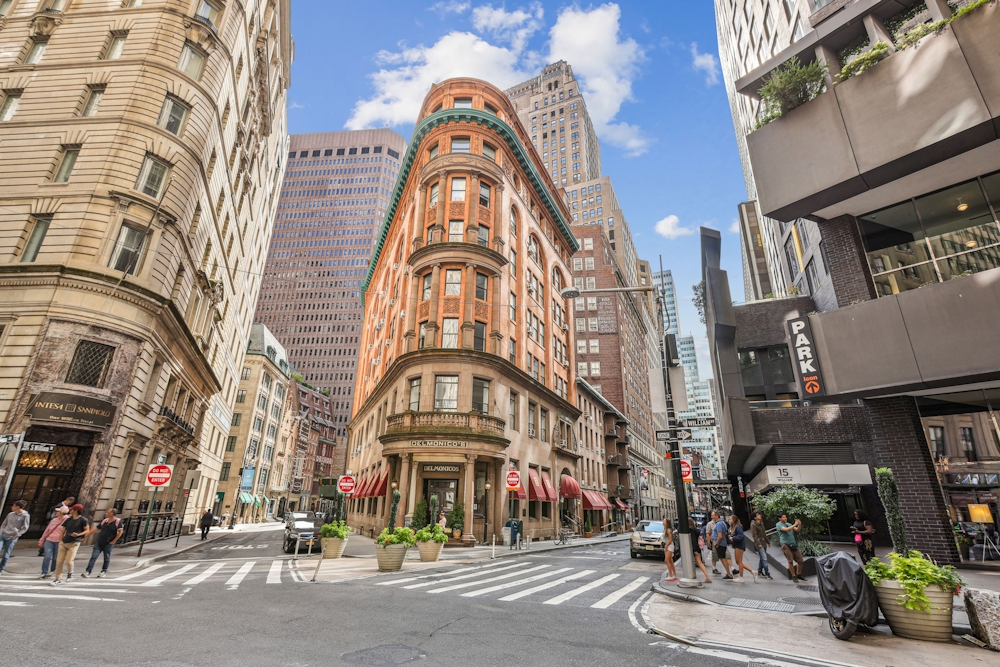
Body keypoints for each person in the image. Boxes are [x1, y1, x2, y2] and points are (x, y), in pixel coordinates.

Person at [51, 504, 89, 585]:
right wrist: (60, 541)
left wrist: (78, 535)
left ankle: (70, 573)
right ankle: (58, 579)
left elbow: (87, 530)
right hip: (64, 542)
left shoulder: (83, 520)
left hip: (74, 543)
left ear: (75, 511)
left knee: (69, 561)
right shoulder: (68, 519)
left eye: (72, 509)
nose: (70, 511)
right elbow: (63, 531)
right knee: (59, 561)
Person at [82, 508, 122, 578]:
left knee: (106, 557)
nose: (106, 513)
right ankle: (88, 571)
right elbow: (95, 529)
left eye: (108, 512)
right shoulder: (104, 521)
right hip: (99, 542)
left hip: (109, 543)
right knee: (94, 556)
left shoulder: (117, 521)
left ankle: (103, 571)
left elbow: (120, 532)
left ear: (111, 514)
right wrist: (85, 536)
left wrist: (113, 541)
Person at [0, 499, 30, 575]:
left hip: (11, 538)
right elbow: (4, 524)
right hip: (3, 535)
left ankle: (0, 569)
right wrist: (1, 532)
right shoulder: (10, 514)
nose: (12, 507)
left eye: (13, 506)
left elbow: (25, 527)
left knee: (6, 555)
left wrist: (17, 534)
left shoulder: (25, 516)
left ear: (18, 507)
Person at [38, 506, 69, 578]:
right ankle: (44, 572)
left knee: (56, 557)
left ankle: (53, 570)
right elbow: (47, 530)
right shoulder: (54, 520)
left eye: (58, 511)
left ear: (62, 512)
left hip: (59, 541)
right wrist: (42, 539)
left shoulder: (68, 520)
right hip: (49, 540)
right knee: (47, 556)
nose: (56, 512)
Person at [777, 513, 806, 582]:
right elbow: (786, 529)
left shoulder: (789, 524)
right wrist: (795, 524)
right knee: (790, 561)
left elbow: (797, 530)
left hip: (793, 544)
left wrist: (799, 524)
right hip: (785, 545)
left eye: (785, 517)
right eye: (783, 517)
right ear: (779, 518)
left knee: (801, 560)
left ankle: (798, 574)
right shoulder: (778, 525)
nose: (785, 518)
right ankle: (794, 576)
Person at [729, 515, 757, 582]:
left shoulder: (738, 527)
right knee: (738, 562)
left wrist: (733, 538)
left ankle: (741, 577)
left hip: (739, 546)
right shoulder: (735, 527)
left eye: (730, 519)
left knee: (739, 562)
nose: (729, 520)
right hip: (737, 545)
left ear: (734, 520)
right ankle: (752, 571)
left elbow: (741, 536)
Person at [688, 517, 712, 583]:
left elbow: (693, 541)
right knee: (699, 562)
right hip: (697, 548)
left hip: (694, 548)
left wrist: (694, 550)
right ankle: (705, 577)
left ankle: (707, 577)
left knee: (699, 563)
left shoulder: (691, 531)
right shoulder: (696, 530)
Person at [711, 510, 734, 581]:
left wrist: (717, 543)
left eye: (713, 515)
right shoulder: (722, 523)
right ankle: (729, 573)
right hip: (722, 543)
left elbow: (720, 536)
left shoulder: (719, 524)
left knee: (723, 559)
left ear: (717, 516)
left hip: (720, 544)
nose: (712, 517)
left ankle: (729, 574)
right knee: (723, 558)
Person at [750, 512, 772, 580]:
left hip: (764, 542)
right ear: (755, 518)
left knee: (762, 558)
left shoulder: (761, 523)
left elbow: (764, 534)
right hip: (759, 543)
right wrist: (758, 543)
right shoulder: (753, 525)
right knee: (764, 558)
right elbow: (754, 535)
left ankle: (759, 571)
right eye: (758, 515)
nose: (760, 515)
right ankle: (767, 573)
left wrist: (768, 542)